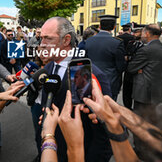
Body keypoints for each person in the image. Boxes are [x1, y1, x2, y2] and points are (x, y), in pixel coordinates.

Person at [40, 16, 112, 162]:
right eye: (41, 38)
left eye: (48, 39)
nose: (42, 44)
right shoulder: (48, 67)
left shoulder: (92, 76)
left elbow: (103, 134)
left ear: (66, 40)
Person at [127, 24, 162, 160]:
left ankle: (141, 151)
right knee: (152, 120)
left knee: (140, 121)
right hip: (158, 90)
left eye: (143, 32)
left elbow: (131, 68)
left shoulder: (146, 50)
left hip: (144, 93)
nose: (141, 35)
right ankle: (152, 146)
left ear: (147, 34)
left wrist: (140, 69)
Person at [85, 15, 126, 100]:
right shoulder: (117, 42)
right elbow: (121, 66)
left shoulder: (89, 41)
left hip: (92, 79)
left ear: (100, 26)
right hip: (110, 81)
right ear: (114, 27)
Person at [123, 26, 144, 109]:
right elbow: (126, 55)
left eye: (137, 32)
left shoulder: (146, 45)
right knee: (127, 92)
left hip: (139, 72)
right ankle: (127, 108)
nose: (134, 34)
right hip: (129, 71)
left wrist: (130, 58)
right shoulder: (131, 43)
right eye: (134, 32)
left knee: (137, 93)